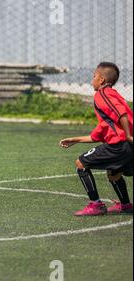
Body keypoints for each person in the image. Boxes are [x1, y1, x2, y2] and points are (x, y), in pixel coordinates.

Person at [60, 62, 133, 216]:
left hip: (119, 144)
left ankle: (96, 205)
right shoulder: (114, 95)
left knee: (81, 164)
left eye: (94, 76)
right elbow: (97, 135)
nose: (91, 80)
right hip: (127, 146)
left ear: (101, 80)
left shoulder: (102, 94)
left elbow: (122, 114)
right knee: (114, 173)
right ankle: (126, 205)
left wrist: (128, 135)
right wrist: (75, 139)